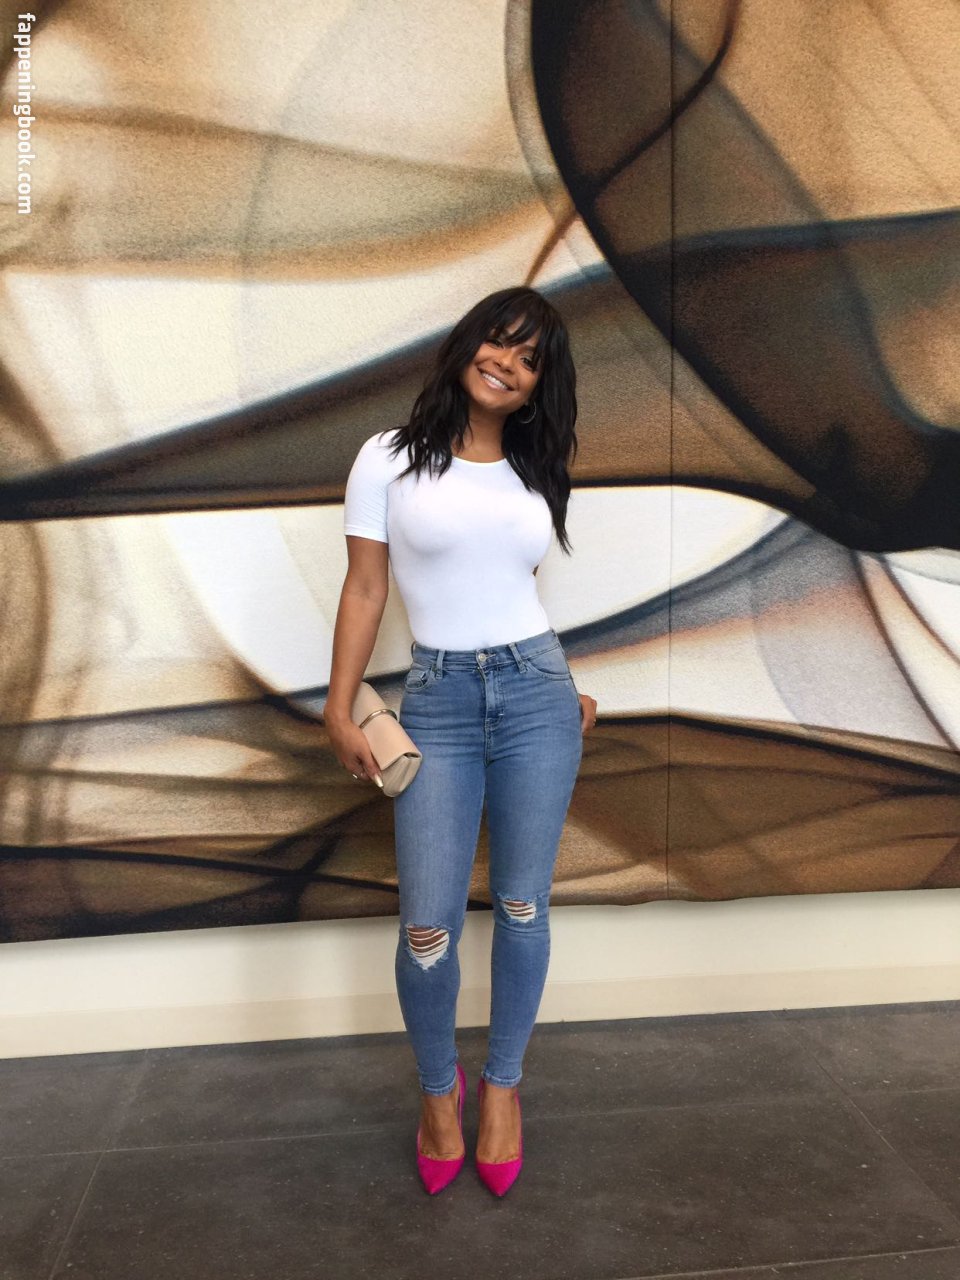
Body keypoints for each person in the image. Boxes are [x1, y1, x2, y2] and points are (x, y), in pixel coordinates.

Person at [324, 285, 597, 1196]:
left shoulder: (534, 467)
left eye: (528, 359)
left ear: (538, 385)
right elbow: (366, 589)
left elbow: (513, 588)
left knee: (522, 907)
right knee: (428, 925)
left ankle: (504, 1088)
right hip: (436, 700)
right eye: (498, 341)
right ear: (468, 343)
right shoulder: (387, 458)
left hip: (537, 694)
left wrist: (560, 692)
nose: (506, 364)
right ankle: (439, 1093)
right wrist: (338, 707)